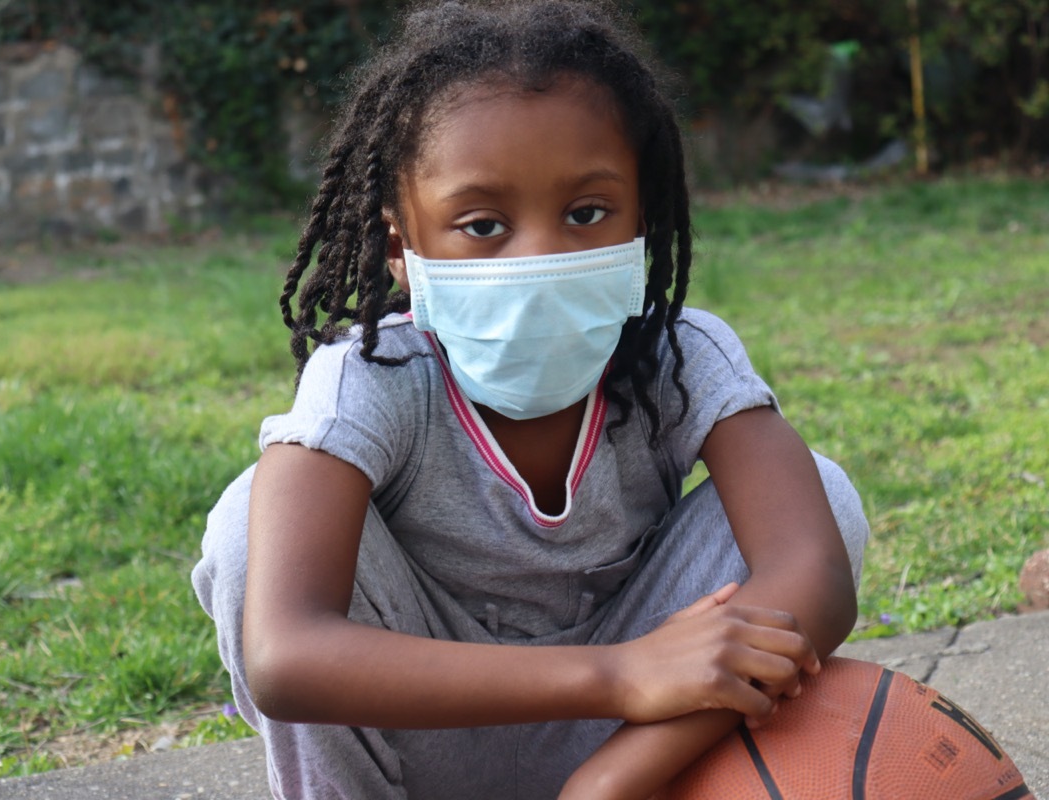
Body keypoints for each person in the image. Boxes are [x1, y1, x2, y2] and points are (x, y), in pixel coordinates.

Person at [192, 1, 869, 797]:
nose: (542, 257)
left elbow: (813, 575)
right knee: (249, 522)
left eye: (587, 213)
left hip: (646, 734)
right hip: (427, 733)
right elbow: (286, 656)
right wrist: (617, 674)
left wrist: (607, 781)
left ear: (642, 220)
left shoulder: (680, 358)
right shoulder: (370, 382)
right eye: (483, 225)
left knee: (821, 494)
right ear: (401, 249)